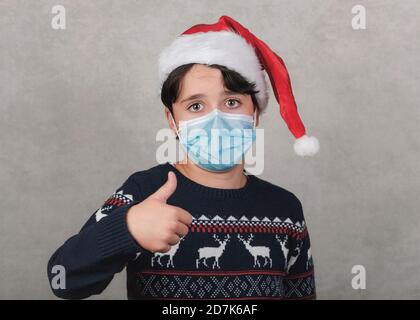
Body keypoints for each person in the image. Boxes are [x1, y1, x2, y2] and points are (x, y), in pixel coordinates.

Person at [47, 15, 319, 300]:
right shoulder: (143, 193)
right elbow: (64, 279)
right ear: (172, 120)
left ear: (255, 113)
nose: (216, 119)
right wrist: (127, 229)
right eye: (196, 106)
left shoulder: (285, 209)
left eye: (232, 102)